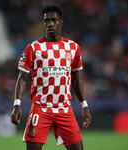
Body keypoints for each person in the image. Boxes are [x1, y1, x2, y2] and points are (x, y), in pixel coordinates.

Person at [11, 5, 91, 150]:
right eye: (46, 21)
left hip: (64, 109)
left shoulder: (73, 48)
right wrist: (16, 104)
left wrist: (84, 105)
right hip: (40, 109)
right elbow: (22, 78)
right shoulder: (33, 48)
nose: (50, 24)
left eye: (54, 20)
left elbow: (75, 79)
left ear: (61, 22)